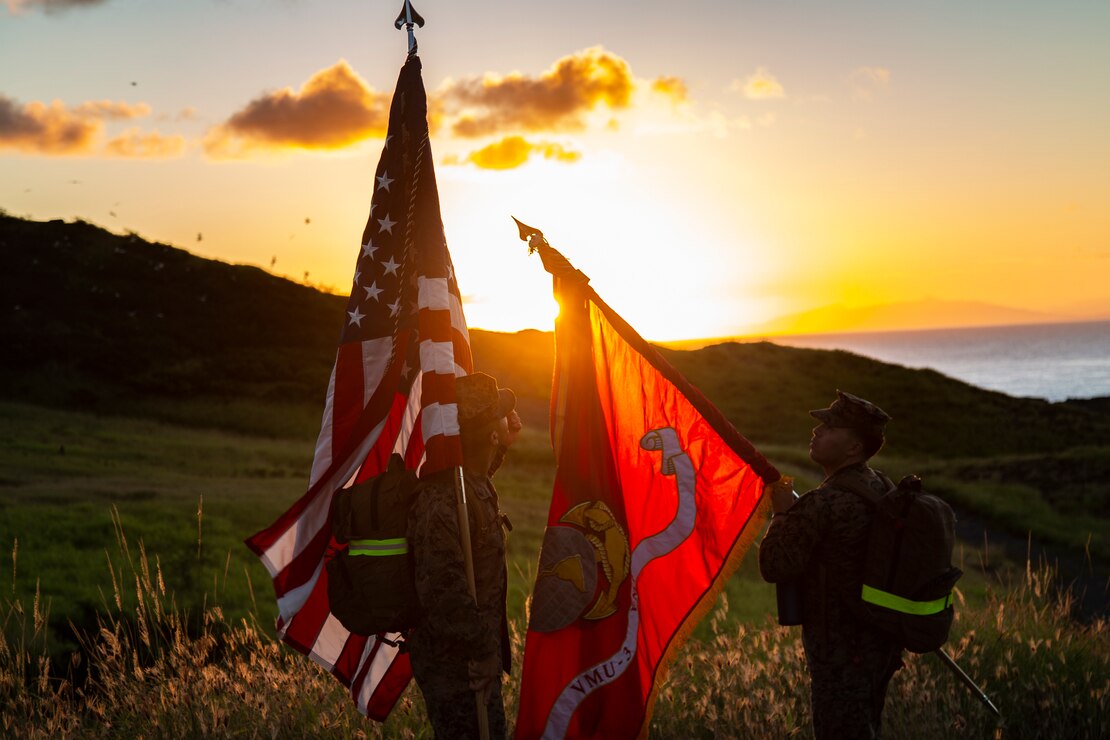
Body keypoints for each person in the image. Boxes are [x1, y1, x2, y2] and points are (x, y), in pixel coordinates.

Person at [759, 390, 903, 739]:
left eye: (830, 427)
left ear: (854, 448)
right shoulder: (882, 485)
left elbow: (774, 565)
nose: (816, 432)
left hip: (841, 653)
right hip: (880, 641)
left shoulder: (824, 502)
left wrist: (779, 516)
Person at [406, 372, 522, 739]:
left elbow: (481, 468)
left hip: (471, 660)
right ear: (488, 434)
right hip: (458, 666)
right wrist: (484, 652)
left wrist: (503, 440)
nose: (509, 418)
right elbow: (444, 593)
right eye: (501, 416)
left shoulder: (470, 482)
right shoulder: (443, 500)